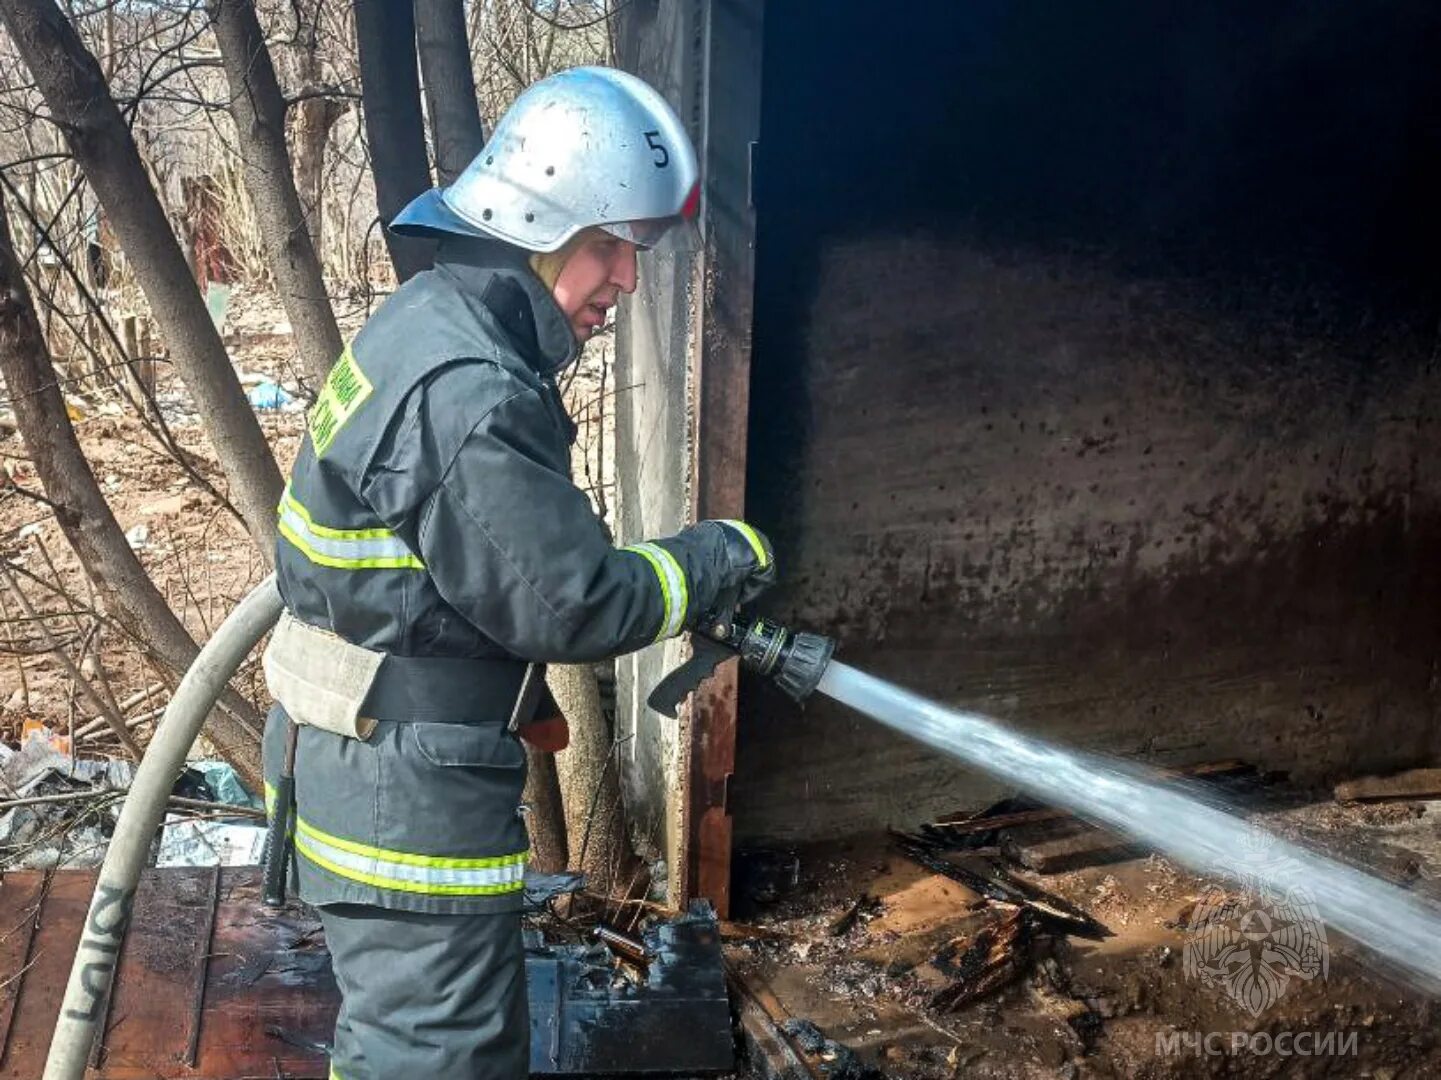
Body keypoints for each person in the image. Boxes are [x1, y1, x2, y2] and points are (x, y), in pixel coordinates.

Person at [260, 66, 775, 1079]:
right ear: (535, 226)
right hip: (401, 799)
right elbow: (572, 603)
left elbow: (442, 576)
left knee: (408, 1048)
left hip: (375, 767)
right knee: (439, 1060)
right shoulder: (470, 393)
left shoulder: (431, 321)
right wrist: (718, 556)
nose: (624, 285)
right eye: (609, 251)